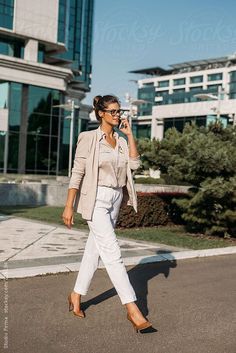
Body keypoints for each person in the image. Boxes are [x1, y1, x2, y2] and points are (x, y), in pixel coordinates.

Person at [62, 95, 152, 333]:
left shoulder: (121, 141)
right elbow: (77, 172)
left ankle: (75, 295)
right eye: (112, 111)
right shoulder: (89, 138)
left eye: (119, 111)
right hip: (96, 200)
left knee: (94, 252)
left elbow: (134, 165)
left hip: (114, 200)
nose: (117, 115)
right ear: (100, 113)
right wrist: (69, 205)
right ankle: (133, 309)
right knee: (113, 253)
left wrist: (130, 135)